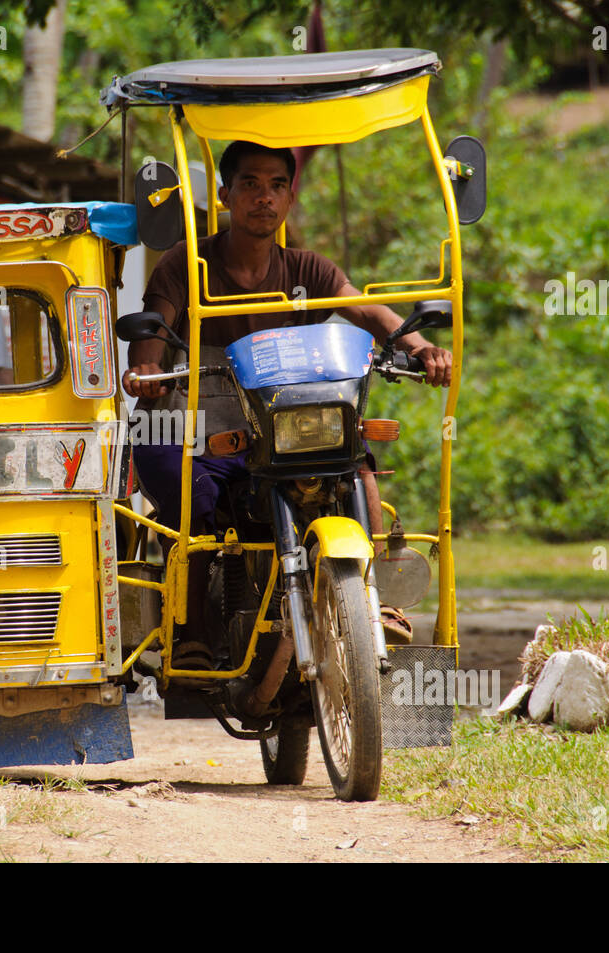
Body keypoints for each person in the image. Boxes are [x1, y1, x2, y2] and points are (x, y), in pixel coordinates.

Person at [123, 140, 453, 666]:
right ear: (226, 194)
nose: (264, 198)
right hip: (197, 424)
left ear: (290, 198)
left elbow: (366, 311)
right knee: (191, 509)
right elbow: (152, 341)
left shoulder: (308, 270)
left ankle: (376, 600)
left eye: (277, 185)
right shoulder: (186, 262)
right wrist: (146, 370)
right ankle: (193, 626)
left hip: (285, 428)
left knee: (355, 467)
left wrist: (420, 347)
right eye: (250, 185)